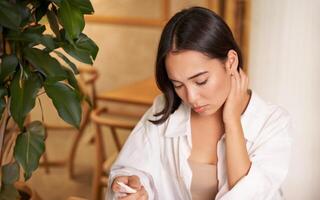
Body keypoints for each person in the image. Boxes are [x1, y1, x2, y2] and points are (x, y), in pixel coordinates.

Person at [107, 6, 292, 200]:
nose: (191, 97)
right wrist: (133, 188)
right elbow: (130, 170)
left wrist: (232, 122)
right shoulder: (166, 108)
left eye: (201, 81)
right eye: (178, 84)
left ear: (230, 62)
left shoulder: (273, 123)